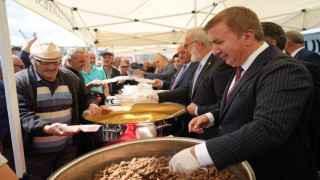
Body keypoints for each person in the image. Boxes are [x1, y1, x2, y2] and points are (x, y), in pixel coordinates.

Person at [169, 7, 319, 180]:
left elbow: (268, 128)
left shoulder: (284, 69)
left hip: (276, 171)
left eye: (219, 42)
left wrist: (199, 153)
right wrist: (211, 117)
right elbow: (245, 104)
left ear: (247, 37)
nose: (215, 51)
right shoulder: (242, 65)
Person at [15, 42, 103, 179]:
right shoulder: (21, 81)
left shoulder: (69, 77)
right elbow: (23, 114)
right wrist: (46, 128)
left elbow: (86, 95)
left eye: (55, 62)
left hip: (67, 148)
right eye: (44, 63)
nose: (51, 67)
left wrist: (91, 104)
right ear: (32, 60)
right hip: (36, 153)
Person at [156, 27, 234, 139]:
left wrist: (198, 110)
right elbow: (188, 88)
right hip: (198, 127)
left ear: (198, 44)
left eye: (187, 46)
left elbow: (225, 104)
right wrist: (157, 97)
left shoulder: (220, 65)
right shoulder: (199, 64)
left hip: (212, 132)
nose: (186, 50)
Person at [262, 21, 320, 170]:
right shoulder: (261, 70)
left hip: (295, 157)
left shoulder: (304, 65)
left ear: (272, 43)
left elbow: (313, 115)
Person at [0, 56, 25, 170]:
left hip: (19, 145)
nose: (23, 69)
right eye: (20, 67)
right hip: (4, 148)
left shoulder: (15, 86)